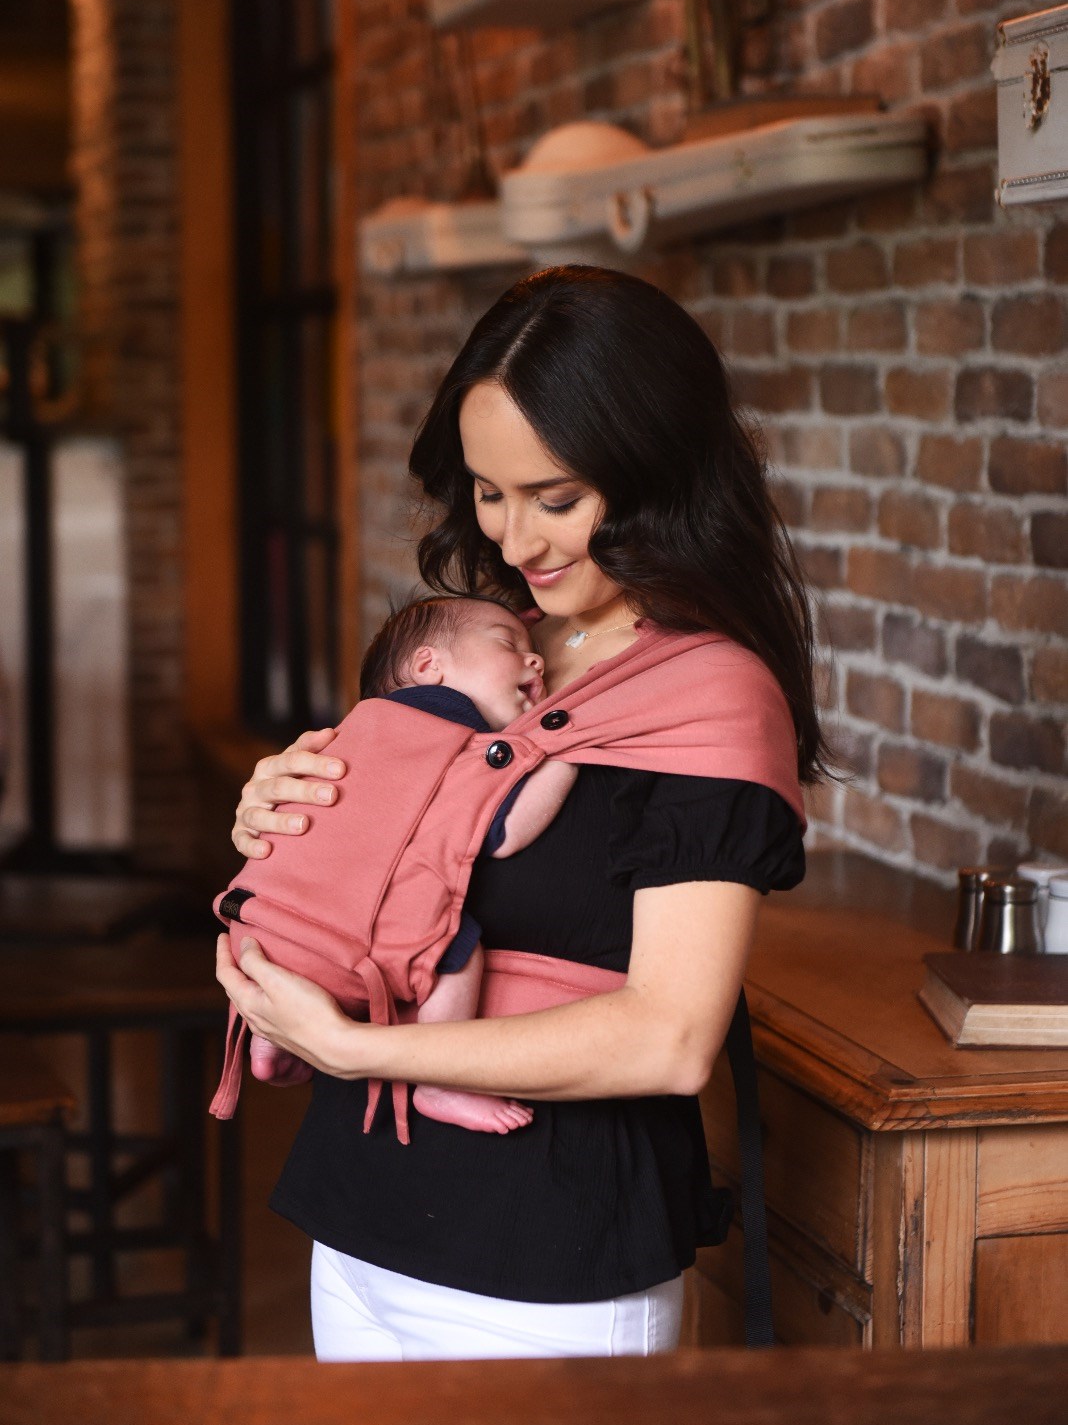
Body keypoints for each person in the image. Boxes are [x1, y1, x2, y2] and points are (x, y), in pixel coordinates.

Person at [217, 264, 826, 1362]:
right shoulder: (492, 660)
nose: (514, 542)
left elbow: (670, 1037)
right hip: (361, 1225)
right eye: (489, 493)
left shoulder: (711, 697)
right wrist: (285, 818)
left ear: (656, 475)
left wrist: (356, 1049)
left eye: (555, 499)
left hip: (546, 1260)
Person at [247, 592, 577, 1135]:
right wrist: (568, 752)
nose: (535, 659)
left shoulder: (357, 727)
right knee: (455, 946)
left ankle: (267, 1033)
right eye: (508, 643)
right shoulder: (455, 739)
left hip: (261, 934)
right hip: (352, 950)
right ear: (428, 666)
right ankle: (443, 1082)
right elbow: (504, 832)